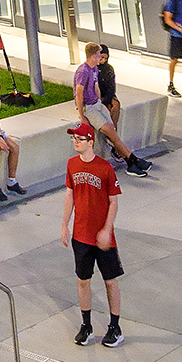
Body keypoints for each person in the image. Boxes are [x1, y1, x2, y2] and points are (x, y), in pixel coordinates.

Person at [61, 123, 124, 348]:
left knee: (109, 281)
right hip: (81, 235)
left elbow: (113, 201)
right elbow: (70, 195)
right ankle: (86, 326)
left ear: (90, 142)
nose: (75, 141)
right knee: (83, 281)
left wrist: (107, 229)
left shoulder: (105, 168)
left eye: (79, 138)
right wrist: (64, 224)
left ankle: (115, 327)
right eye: (74, 138)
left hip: (103, 237)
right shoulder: (72, 165)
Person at [73, 46, 149, 177]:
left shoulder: (94, 68)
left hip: (97, 105)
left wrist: (99, 102)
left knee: (113, 134)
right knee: (113, 135)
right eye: (99, 55)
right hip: (89, 109)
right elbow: (79, 94)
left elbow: (96, 87)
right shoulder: (83, 71)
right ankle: (132, 160)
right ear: (92, 56)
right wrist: (82, 115)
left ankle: (131, 161)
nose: (101, 58)